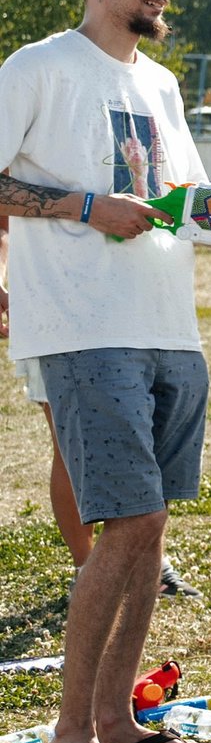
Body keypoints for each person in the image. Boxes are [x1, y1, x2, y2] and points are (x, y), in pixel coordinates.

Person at [0, 0, 211, 743]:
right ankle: (66, 737)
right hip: (86, 328)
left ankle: (120, 719)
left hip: (170, 326)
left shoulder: (160, 84)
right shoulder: (37, 66)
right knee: (123, 524)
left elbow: (192, 200)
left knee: (150, 526)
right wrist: (87, 206)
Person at [0, 217, 93, 577]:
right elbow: (3, 227)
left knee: (142, 440)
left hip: (130, 304)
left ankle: (144, 560)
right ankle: (88, 570)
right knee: (72, 446)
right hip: (50, 306)